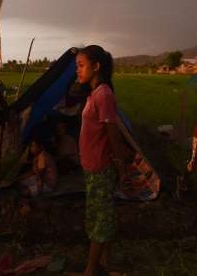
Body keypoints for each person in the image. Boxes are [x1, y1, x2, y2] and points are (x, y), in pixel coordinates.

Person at [71, 45, 131, 276]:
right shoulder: (94, 93)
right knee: (100, 214)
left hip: (100, 167)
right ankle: (104, 263)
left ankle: (90, 271)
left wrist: (121, 164)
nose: (78, 71)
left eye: (81, 65)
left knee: (100, 218)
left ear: (96, 67)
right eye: (77, 66)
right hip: (91, 166)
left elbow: (112, 133)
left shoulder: (104, 94)